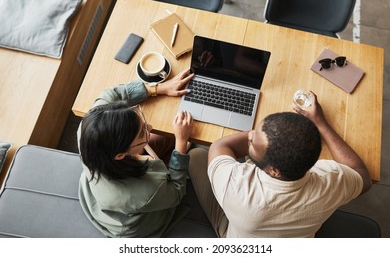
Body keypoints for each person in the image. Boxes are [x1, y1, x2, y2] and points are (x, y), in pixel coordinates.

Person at [188, 91, 372, 237]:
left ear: (274, 171)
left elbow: (221, 145)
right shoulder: (331, 180)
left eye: (252, 141)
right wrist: (320, 123)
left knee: (195, 155)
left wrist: (258, 135)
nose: (250, 135)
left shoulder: (234, 184)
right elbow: (363, 177)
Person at [78, 69, 197, 238]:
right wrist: (181, 143)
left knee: (164, 137)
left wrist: (160, 88)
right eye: (142, 133)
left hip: (99, 190)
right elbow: (176, 191)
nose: (150, 127)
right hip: (134, 220)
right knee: (187, 150)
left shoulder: (90, 126)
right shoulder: (146, 192)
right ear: (120, 155)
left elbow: (111, 93)